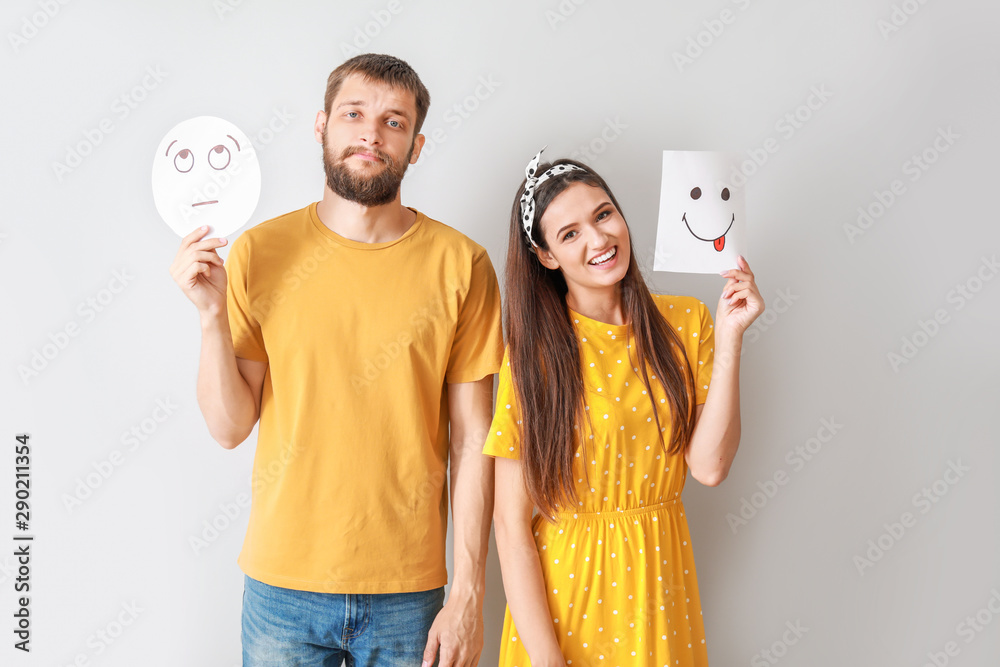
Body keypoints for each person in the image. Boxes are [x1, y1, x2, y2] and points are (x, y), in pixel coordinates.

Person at [169, 53, 503, 667]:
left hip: (412, 592)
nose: (371, 134)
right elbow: (228, 427)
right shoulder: (258, 253)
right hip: (281, 588)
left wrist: (468, 593)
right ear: (321, 125)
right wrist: (210, 317)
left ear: (417, 145)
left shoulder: (463, 266)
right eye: (354, 114)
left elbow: (473, 440)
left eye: (394, 121)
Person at [484, 149, 764, 666]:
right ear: (546, 256)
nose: (598, 239)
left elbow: (709, 467)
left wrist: (730, 341)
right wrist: (547, 660)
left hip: (660, 587)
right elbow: (509, 523)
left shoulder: (687, 321)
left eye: (603, 214)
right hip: (569, 600)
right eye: (569, 234)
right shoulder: (532, 358)